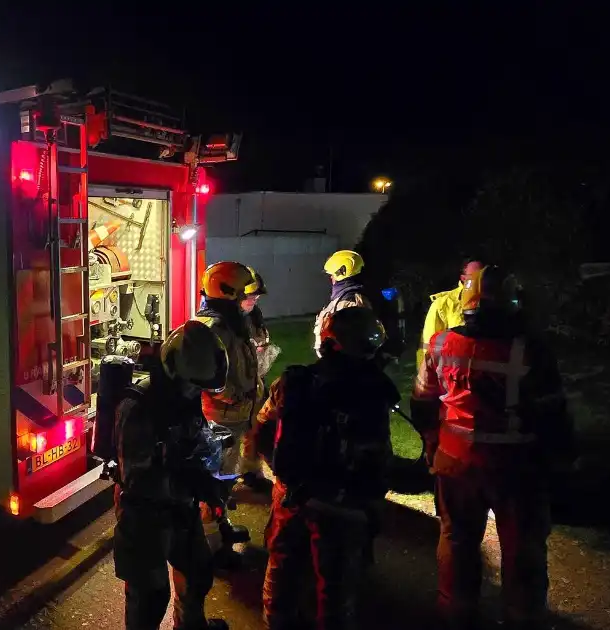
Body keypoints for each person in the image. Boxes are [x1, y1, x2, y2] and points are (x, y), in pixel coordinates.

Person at [411, 265, 575, 630]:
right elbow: (552, 412)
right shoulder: (531, 350)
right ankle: (524, 616)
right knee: (522, 547)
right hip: (515, 468)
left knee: (456, 539)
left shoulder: (441, 344)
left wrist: (430, 440)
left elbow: (422, 402)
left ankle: (456, 611)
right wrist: (562, 459)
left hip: (455, 463)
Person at [258, 306, 399, 630]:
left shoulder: (293, 381)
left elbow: (263, 427)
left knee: (282, 566)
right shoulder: (376, 392)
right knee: (336, 587)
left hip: (291, 497)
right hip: (344, 506)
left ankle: (277, 622)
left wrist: (281, 476)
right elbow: (378, 455)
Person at [114, 320, 231, 630]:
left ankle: (191, 625)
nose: (197, 392)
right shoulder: (138, 406)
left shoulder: (184, 394)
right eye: (194, 385)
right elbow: (137, 479)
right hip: (145, 515)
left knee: (199, 571)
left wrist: (206, 469)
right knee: (150, 596)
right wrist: (190, 480)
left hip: (180, 506)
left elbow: (190, 439)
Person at [194, 261, 268, 476]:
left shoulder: (233, 322)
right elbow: (207, 377)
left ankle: (243, 480)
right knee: (220, 470)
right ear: (229, 291)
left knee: (231, 459)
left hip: (238, 407)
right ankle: (214, 507)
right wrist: (234, 397)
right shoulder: (211, 327)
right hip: (223, 413)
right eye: (242, 293)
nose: (247, 298)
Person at [416, 258, 486, 369]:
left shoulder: (496, 301)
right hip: (453, 376)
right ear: (463, 278)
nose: (480, 280)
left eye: (483, 275)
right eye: (475, 276)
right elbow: (428, 348)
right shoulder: (443, 304)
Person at [314, 250, 372, 356]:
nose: (331, 278)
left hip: (343, 367)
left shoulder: (351, 304)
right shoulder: (343, 300)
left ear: (341, 273)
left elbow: (353, 345)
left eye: (332, 275)